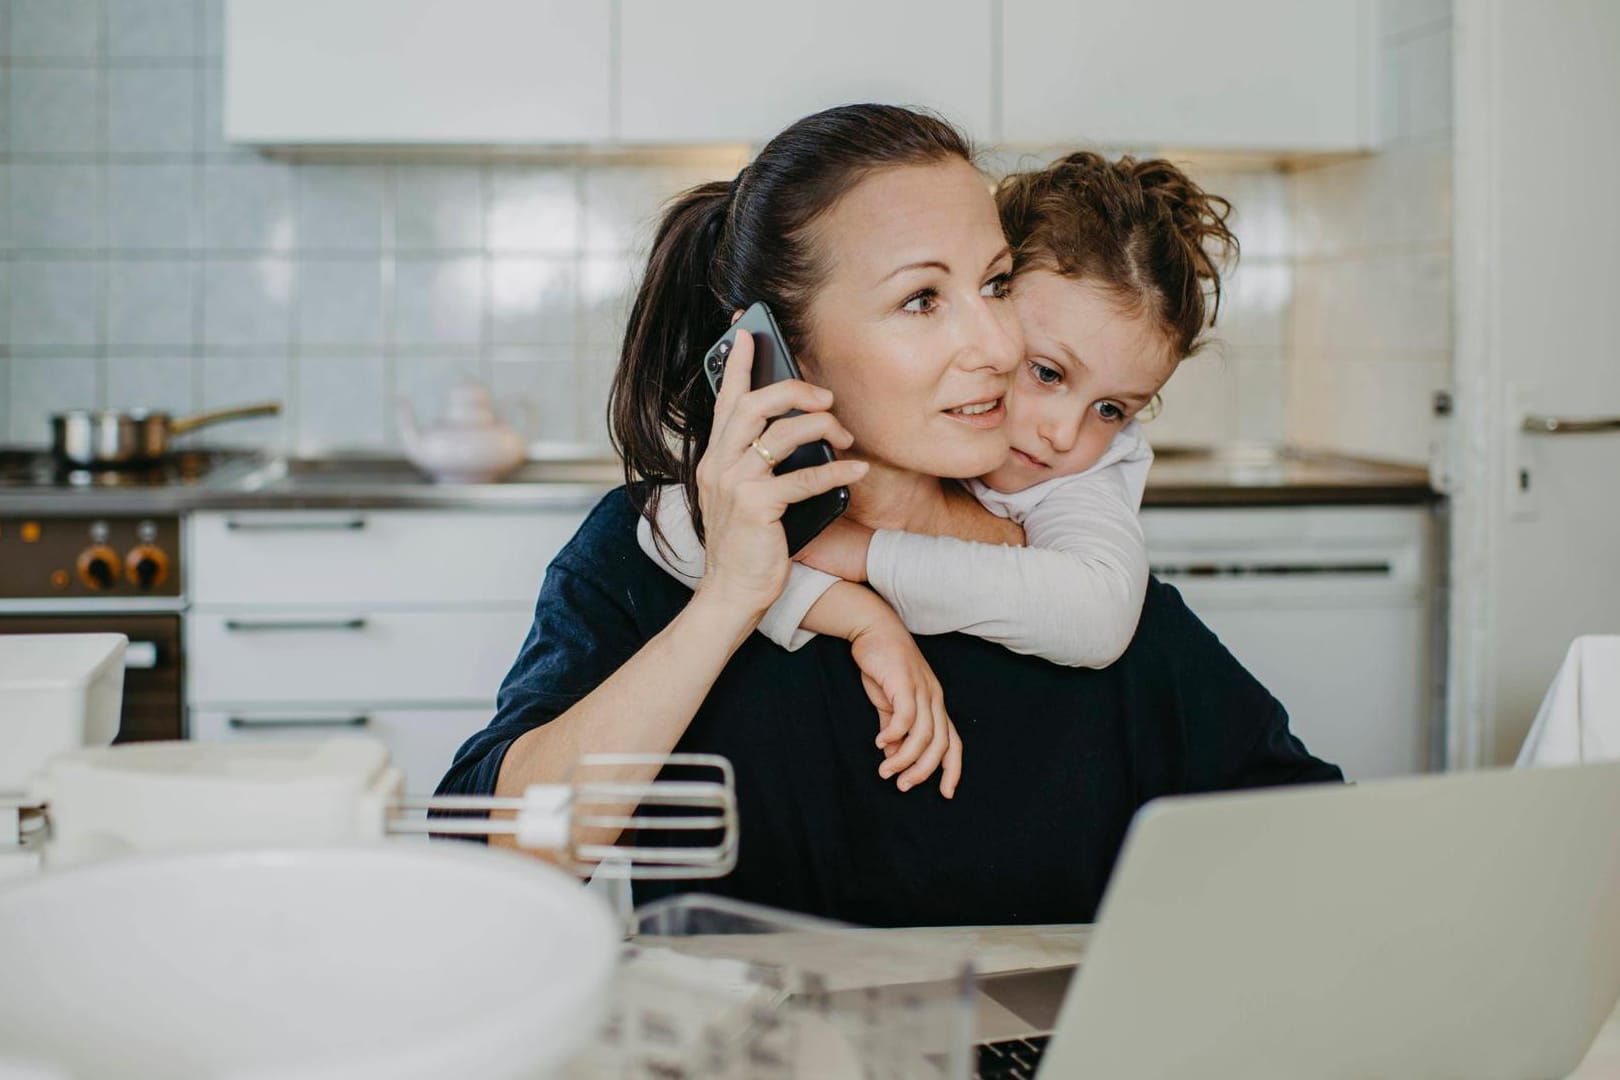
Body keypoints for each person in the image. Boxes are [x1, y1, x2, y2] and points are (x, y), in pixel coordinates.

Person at [437, 104, 1340, 928]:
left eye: (994, 284)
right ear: (777, 346)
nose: (996, 345)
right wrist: (730, 601)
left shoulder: (1080, 581)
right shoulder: (655, 555)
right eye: (921, 299)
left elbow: (1312, 845)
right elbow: (493, 861)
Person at [634, 152, 1236, 798]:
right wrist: (861, 617)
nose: (1063, 434)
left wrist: (866, 554)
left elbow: (1096, 616)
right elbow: (682, 526)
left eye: (1112, 410)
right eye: (1047, 373)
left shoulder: (1084, 482)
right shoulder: (736, 495)